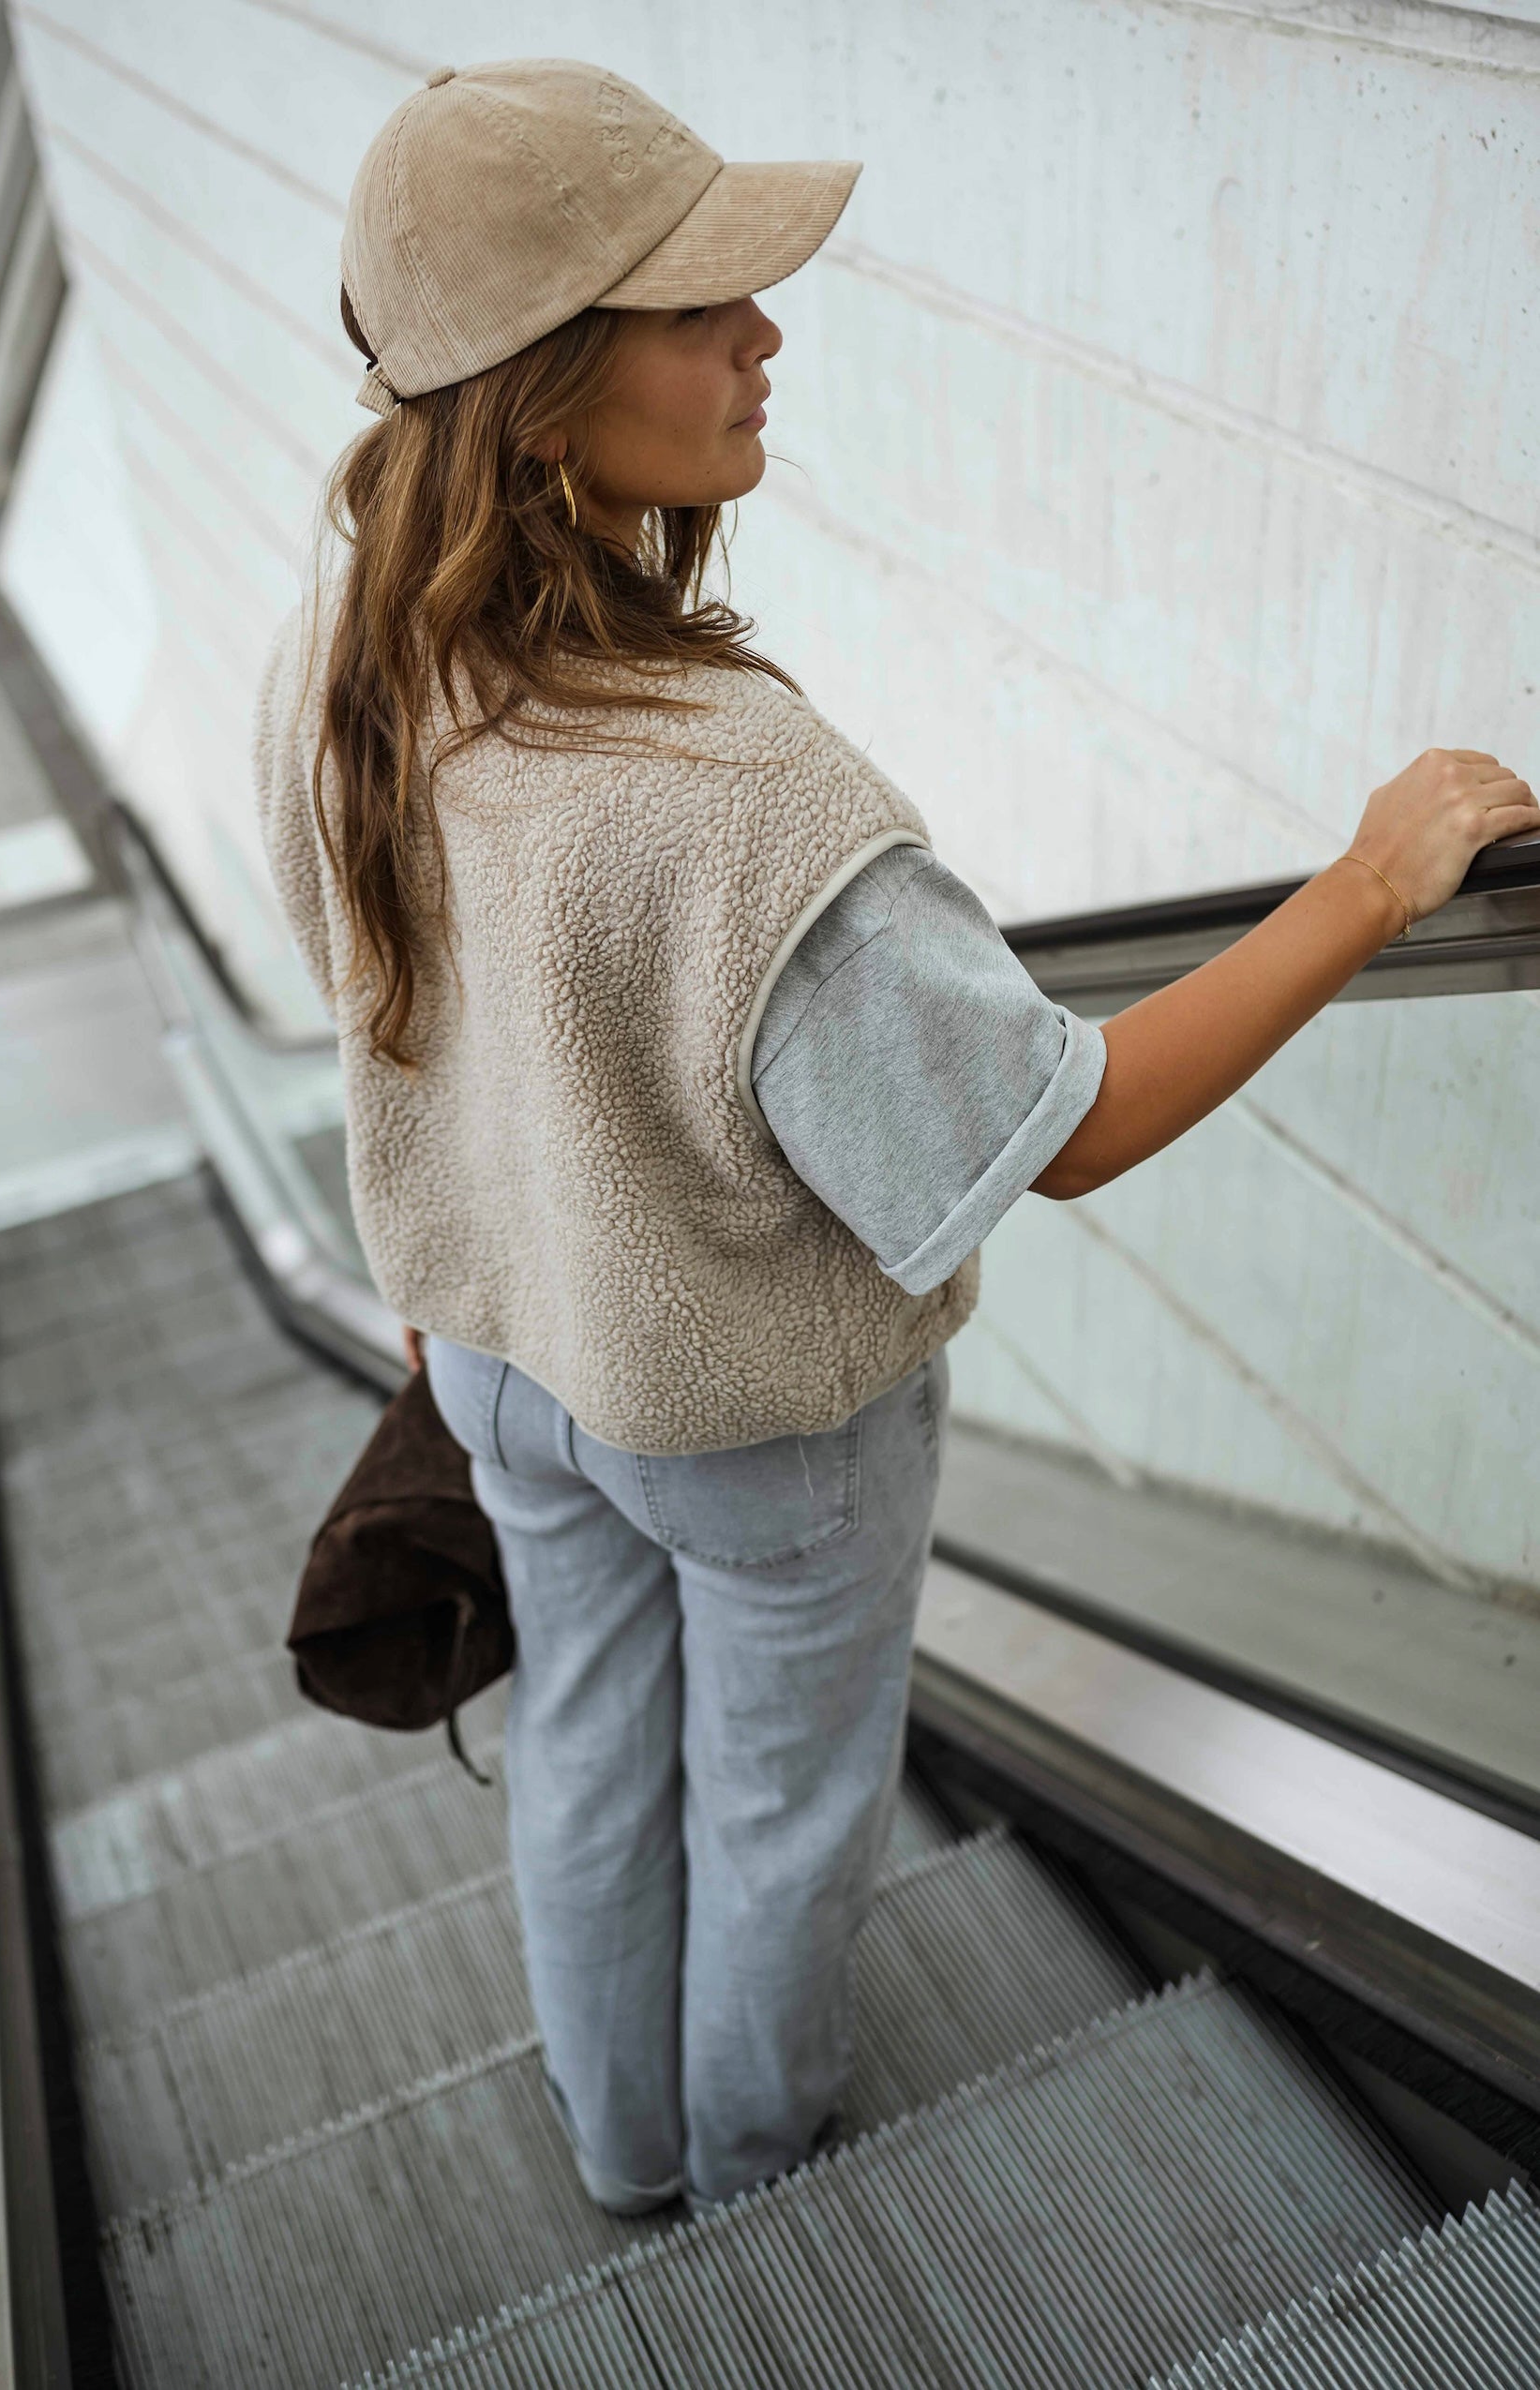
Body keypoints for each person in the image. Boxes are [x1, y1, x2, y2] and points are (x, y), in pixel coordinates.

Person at [252, 59, 1537, 2221]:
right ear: (549, 394)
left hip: (490, 1363)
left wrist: (444, 1289)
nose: (768, 335)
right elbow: (1069, 1124)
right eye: (703, 306)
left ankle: (616, 2141)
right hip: (752, 1428)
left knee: (580, 1738)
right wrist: (1370, 883)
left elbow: (388, 1009)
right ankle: (763, 2179)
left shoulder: (348, 639)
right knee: (776, 1809)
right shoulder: (740, 798)